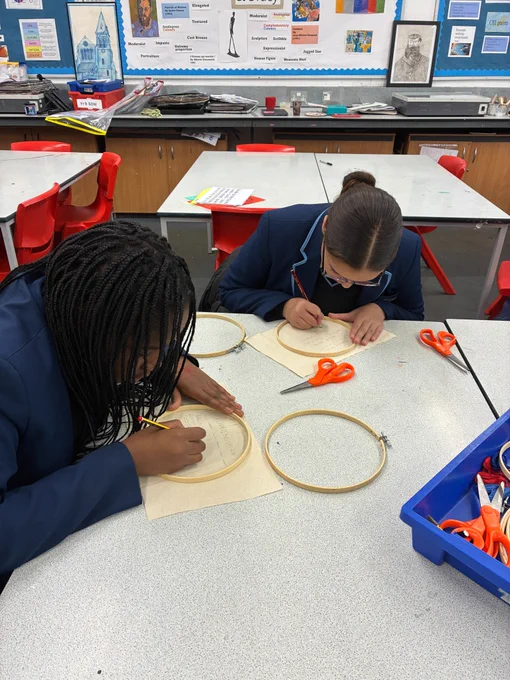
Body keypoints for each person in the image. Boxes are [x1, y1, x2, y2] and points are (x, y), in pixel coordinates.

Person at [0, 221, 242, 576]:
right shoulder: (8, 369)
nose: (156, 363)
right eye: (147, 352)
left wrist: (171, 364)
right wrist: (127, 460)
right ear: (97, 330)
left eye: (166, 346)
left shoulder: (75, 299)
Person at [219, 172, 424, 346]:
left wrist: (380, 310)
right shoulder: (279, 228)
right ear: (324, 227)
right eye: (335, 272)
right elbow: (230, 291)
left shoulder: (408, 248)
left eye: (367, 280)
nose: (346, 285)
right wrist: (284, 306)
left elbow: (414, 314)